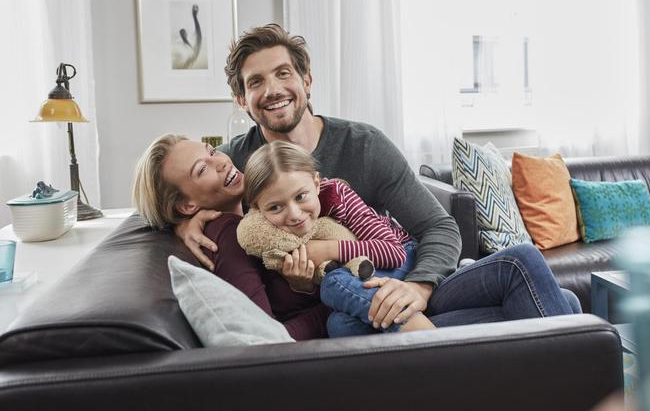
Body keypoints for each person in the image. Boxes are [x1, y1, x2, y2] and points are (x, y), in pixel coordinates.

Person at [175, 23, 581, 332]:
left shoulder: (364, 144)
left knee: (530, 269)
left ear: (307, 81)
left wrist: (419, 288)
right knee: (562, 304)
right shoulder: (234, 163)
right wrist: (183, 222)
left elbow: (438, 226)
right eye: (256, 82)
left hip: (405, 278)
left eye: (284, 73)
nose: (274, 89)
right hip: (354, 306)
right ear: (241, 100)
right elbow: (169, 192)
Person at [243, 140, 435, 335]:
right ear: (257, 209)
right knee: (339, 325)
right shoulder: (267, 234)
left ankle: (430, 339)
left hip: (403, 252)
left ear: (316, 183)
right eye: (275, 207)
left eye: (301, 196)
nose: (294, 214)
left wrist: (326, 249)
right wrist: (302, 285)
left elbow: (393, 252)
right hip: (357, 279)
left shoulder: (339, 197)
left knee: (334, 282)